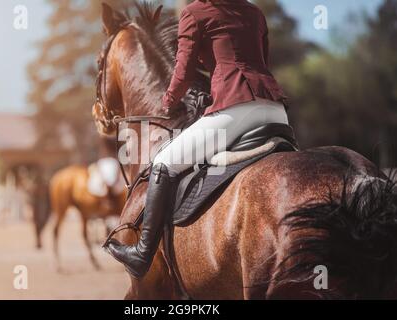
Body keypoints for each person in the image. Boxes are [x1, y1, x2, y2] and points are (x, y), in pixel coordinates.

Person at [105, 0, 289, 279]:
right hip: (276, 111)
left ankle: (142, 253)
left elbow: (184, 71)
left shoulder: (195, 11)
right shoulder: (254, 13)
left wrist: (168, 101)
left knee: (164, 162)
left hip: (236, 109)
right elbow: (259, 62)